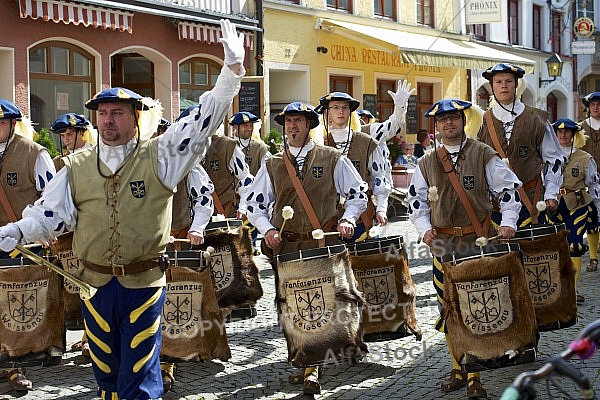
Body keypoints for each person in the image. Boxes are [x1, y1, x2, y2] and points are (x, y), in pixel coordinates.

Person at [0, 18, 245, 399]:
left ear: (136, 117)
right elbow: (48, 215)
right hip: (93, 285)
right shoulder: (77, 166)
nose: (108, 119)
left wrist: (230, 72)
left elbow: (202, 121)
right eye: (102, 113)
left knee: (139, 372)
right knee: (105, 373)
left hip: (143, 285)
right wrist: (16, 232)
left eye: (117, 112)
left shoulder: (161, 155)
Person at [246, 101, 368, 395]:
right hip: (287, 249)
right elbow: (254, 204)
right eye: (288, 122)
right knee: (292, 308)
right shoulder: (272, 164)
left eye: (298, 121)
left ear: (309, 124)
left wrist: (349, 218)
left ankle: (313, 368)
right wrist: (269, 230)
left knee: (320, 307)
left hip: (322, 244)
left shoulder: (332, 158)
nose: (292, 126)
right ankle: (303, 360)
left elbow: (358, 192)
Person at [406, 98, 522, 399]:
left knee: (478, 306)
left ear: (463, 121)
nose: (449, 124)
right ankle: (458, 367)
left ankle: (474, 374)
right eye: (443, 120)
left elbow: (509, 192)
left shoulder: (484, 155)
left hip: (478, 239)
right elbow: (415, 202)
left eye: (454, 118)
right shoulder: (426, 162)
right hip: (443, 244)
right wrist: (424, 230)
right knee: (450, 307)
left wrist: (509, 221)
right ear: (436, 126)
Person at [0, 99, 56, 392]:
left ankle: (15, 366)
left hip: (20, 243)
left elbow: (50, 198)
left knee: (15, 308)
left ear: (12, 124)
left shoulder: (34, 153)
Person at [478, 63, 564, 227]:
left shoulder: (537, 119)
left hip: (531, 200)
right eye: (498, 82)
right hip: (495, 203)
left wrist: (551, 193)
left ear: (516, 85)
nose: (504, 85)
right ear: (492, 86)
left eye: (508, 81)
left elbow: (553, 160)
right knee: (501, 252)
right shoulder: (480, 122)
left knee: (533, 250)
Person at [49, 112, 97, 359]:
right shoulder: (58, 163)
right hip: (67, 237)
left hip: (94, 235)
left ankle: (93, 338)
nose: (66, 139)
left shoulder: (96, 158)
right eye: (63, 135)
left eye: (70, 134)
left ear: (82, 133)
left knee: (92, 285)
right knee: (74, 288)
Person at [317, 91, 391, 240]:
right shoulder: (319, 144)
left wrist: (381, 209)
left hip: (363, 218)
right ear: (327, 112)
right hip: (327, 220)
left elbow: (379, 178)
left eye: (345, 107)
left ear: (350, 112)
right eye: (335, 107)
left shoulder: (367, 143)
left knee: (366, 259)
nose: (341, 111)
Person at [547, 118, 600, 303]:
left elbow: (594, 185)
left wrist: (598, 208)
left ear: (573, 134)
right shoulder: (546, 157)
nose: (563, 135)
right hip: (553, 206)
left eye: (567, 132)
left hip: (577, 204)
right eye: (560, 132)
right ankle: (556, 288)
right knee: (554, 247)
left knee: (575, 245)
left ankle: (573, 290)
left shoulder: (585, 158)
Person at [228, 111, 271, 253]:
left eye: (250, 125)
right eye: (245, 126)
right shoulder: (227, 147)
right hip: (230, 203)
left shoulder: (260, 148)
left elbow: (268, 172)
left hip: (252, 203)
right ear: (235, 128)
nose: (249, 129)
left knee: (247, 248)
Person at [580, 91, 600, 272]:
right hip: (588, 181)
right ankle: (593, 257)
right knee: (591, 219)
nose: (596, 107)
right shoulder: (580, 128)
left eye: (599, 104)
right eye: (593, 104)